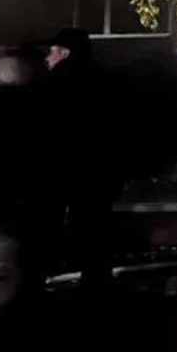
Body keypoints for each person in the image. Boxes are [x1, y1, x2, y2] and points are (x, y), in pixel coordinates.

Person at [27, 29, 117, 289]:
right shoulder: (104, 80)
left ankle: (43, 273)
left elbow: (38, 129)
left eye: (51, 51)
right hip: (97, 168)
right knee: (94, 221)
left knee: (47, 219)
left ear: (65, 53)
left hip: (59, 166)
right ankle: (96, 277)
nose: (47, 58)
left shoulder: (52, 83)